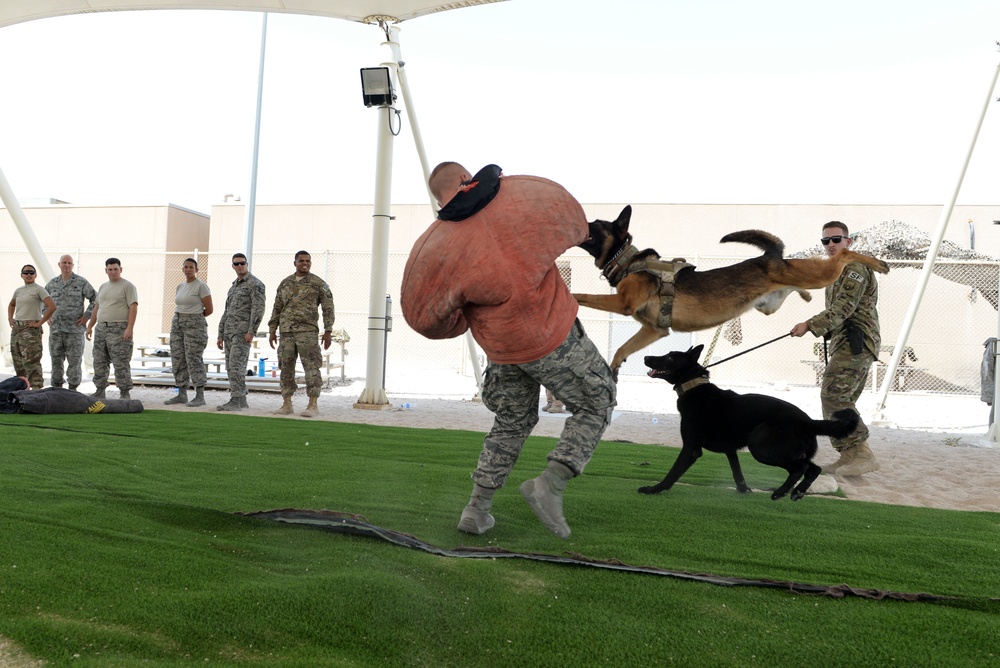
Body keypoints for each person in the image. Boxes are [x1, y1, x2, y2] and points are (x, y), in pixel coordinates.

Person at [400, 162, 617, 539]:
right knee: (598, 400)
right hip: (551, 337)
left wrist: (464, 322)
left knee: (511, 422)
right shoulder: (523, 201)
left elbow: (422, 317)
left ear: (439, 195)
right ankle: (551, 483)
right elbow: (574, 222)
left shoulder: (435, 245)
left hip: (502, 349)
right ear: (467, 180)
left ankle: (477, 508)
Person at [790, 221, 881, 476]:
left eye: (836, 239)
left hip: (857, 342)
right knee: (836, 397)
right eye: (826, 241)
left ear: (848, 242)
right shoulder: (837, 270)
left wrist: (810, 325)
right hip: (845, 341)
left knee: (835, 396)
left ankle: (862, 453)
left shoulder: (855, 268)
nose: (830, 245)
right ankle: (849, 455)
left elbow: (844, 308)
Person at [267, 250, 335, 418]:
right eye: (301, 261)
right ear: (295, 263)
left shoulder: (318, 283)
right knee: (286, 367)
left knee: (311, 367)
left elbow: (328, 308)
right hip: (286, 332)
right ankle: (287, 403)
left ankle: (312, 404)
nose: (305, 263)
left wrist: (328, 331)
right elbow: (277, 307)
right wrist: (272, 329)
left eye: (308, 261)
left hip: (308, 332)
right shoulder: (285, 283)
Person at [216, 253, 266, 412]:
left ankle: (237, 399)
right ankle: (240, 399)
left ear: (247, 264)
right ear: (233, 266)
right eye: (236, 264)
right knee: (230, 367)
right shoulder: (234, 286)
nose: (239, 266)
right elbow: (227, 310)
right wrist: (220, 333)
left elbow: (258, 309)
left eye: (242, 263)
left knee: (236, 366)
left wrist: (252, 331)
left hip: (242, 333)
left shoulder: (255, 284)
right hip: (230, 333)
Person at [86, 258, 138, 400]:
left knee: (120, 361)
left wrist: (129, 328)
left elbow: (133, 307)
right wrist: (90, 326)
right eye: (110, 269)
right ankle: (100, 389)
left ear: (120, 270)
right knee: (99, 360)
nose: (113, 272)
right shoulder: (103, 287)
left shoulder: (128, 286)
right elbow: (97, 307)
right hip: (102, 328)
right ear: (106, 270)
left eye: (115, 269)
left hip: (119, 328)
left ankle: (124, 392)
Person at [163, 258, 213, 407]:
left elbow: (209, 309)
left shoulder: (201, 286)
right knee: (178, 358)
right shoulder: (180, 286)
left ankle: (199, 395)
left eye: (191, 267)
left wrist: (194, 318)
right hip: (178, 322)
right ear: (183, 269)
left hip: (194, 324)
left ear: (196, 270)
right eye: (186, 267)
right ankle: (181, 393)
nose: (188, 269)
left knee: (193, 358)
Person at [43, 255, 97, 391]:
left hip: (75, 330)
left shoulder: (81, 282)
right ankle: (57, 388)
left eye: (69, 263)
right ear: (59, 264)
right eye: (64, 263)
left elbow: (95, 299)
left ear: (72, 265)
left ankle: (73, 389)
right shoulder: (52, 284)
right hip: (56, 330)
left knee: (74, 361)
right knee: (56, 360)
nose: (66, 265)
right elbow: (42, 301)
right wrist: (46, 315)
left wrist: (86, 316)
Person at [7, 264, 57, 389]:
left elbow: (52, 307)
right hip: (17, 330)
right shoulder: (19, 290)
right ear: (21, 275)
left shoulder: (39, 289)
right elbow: (12, 304)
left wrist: (39, 323)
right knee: (18, 362)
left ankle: (36, 391)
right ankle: (23, 391)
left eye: (31, 272)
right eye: (26, 272)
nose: (28, 275)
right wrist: (10, 318)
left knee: (31, 363)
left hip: (30, 330)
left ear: (35, 275)